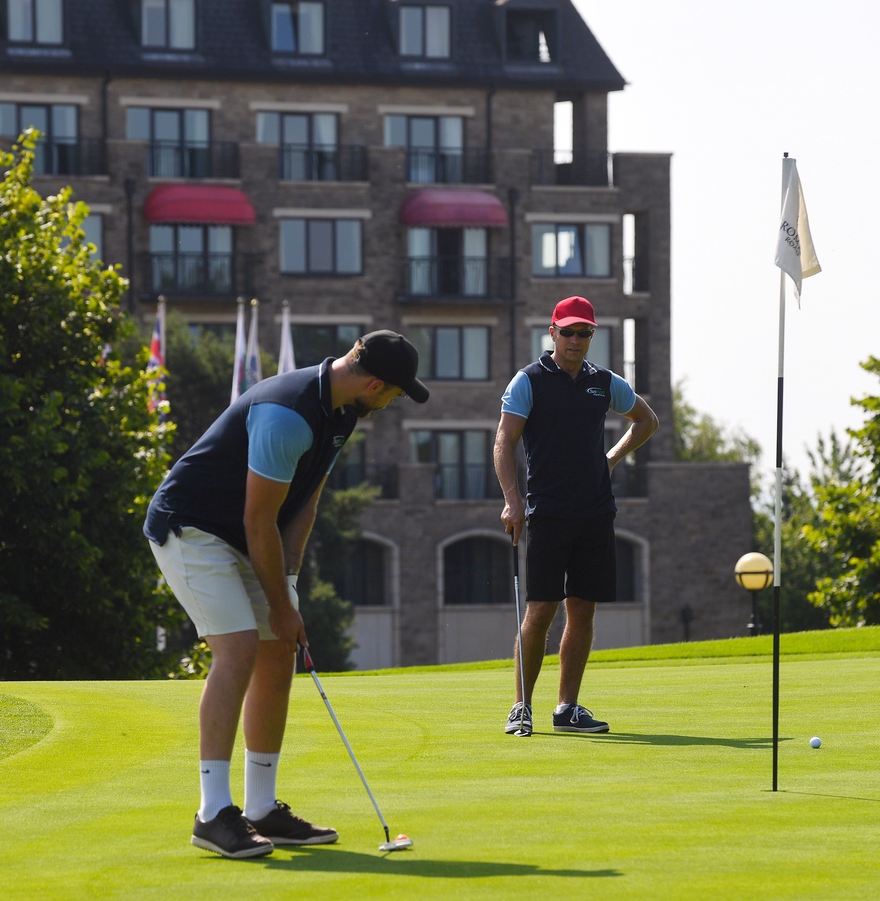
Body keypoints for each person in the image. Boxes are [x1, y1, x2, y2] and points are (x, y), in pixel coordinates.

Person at [144, 330, 429, 858]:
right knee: (239, 648)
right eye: (393, 394)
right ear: (373, 384)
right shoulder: (288, 414)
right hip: (193, 528)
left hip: (247, 534)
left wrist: (289, 588)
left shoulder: (341, 414)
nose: (391, 403)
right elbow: (259, 519)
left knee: (278, 653)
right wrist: (278, 605)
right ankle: (212, 813)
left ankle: (260, 808)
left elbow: (303, 504)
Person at [494, 296, 658, 736]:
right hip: (548, 511)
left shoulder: (604, 382)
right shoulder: (528, 380)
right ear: (552, 333)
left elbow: (646, 420)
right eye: (567, 332)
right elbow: (504, 442)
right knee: (541, 610)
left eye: (583, 332)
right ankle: (521, 707)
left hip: (595, 511)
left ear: (591, 335)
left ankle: (567, 709)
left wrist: (611, 458)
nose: (575, 339)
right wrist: (512, 499)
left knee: (582, 609)